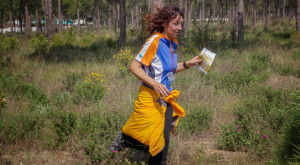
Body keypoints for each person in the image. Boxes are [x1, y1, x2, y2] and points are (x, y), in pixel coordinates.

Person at [109, 4, 202, 165]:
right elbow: (134, 66)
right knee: (150, 140)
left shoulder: (172, 43)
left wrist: (188, 63)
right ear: (165, 23)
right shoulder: (155, 41)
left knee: (162, 144)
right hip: (150, 97)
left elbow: (168, 70)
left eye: (181, 23)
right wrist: (155, 84)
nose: (179, 27)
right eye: (175, 23)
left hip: (166, 98)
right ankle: (123, 140)